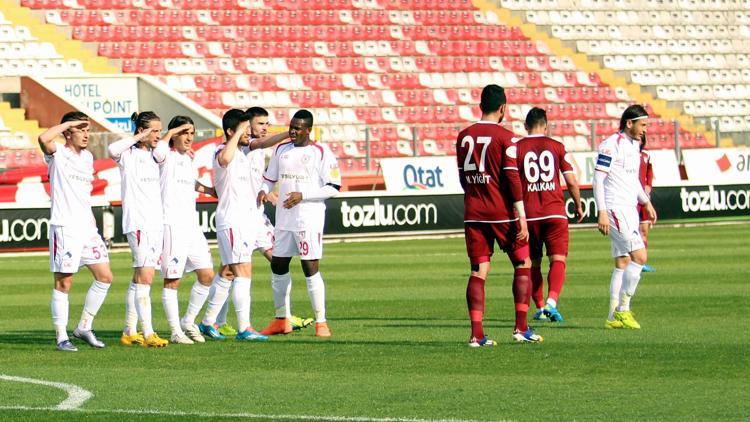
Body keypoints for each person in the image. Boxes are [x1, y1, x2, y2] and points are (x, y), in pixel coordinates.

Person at [213, 107, 312, 337]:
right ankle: (217, 321)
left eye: (267, 124)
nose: (264, 128)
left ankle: (284, 316)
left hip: (255, 216)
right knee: (232, 270)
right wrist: (288, 134)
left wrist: (266, 193)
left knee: (276, 261)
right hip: (240, 217)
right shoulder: (246, 146)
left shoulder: (256, 148)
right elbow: (257, 145)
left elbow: (257, 178)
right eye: (260, 124)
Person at [456, 84, 541, 347]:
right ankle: (520, 328)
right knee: (523, 264)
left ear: (481, 106)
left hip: (473, 212)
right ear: (503, 108)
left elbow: (462, 177)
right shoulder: (507, 138)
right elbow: (512, 179)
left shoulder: (463, 136)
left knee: (479, 271)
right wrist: (522, 215)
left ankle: (476, 334)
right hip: (502, 213)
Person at [257, 109, 341, 338]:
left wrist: (302, 195)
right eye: (291, 126)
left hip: (308, 219)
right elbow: (269, 178)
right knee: (278, 265)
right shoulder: (281, 149)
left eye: (297, 128)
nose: (292, 131)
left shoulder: (321, 153)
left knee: (309, 267)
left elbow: (333, 187)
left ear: (308, 130)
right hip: (284, 220)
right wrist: (264, 191)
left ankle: (321, 322)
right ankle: (281, 319)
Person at [39, 112, 114, 352]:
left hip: (87, 228)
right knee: (64, 283)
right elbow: (43, 138)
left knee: (105, 276)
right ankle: (62, 337)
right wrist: (68, 124)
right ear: (68, 132)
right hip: (65, 226)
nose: (86, 135)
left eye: (87, 130)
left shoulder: (89, 157)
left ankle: (84, 327)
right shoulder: (58, 153)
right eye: (81, 130)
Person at [153, 116, 219, 345]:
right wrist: (171, 132)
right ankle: (174, 331)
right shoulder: (164, 156)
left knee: (207, 274)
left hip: (191, 225)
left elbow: (191, 183)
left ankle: (188, 320)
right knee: (173, 279)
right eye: (185, 132)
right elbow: (159, 150)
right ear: (174, 134)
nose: (190, 137)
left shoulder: (187, 159)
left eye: (192, 132)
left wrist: (209, 190)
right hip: (171, 223)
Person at [514, 108, 583, 323]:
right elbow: (571, 180)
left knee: (533, 263)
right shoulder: (556, 147)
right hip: (555, 213)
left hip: (529, 215)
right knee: (558, 259)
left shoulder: (516, 149)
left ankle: (542, 307)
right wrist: (578, 203)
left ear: (525, 126)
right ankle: (552, 302)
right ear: (546, 125)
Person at [108, 111, 168, 348]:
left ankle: (129, 330)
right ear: (141, 131)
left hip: (155, 223)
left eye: (159, 130)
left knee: (139, 279)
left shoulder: (154, 155)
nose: (158, 135)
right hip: (139, 223)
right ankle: (148, 332)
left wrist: (156, 137)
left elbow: (163, 151)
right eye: (153, 130)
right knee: (146, 278)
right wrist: (137, 136)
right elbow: (112, 149)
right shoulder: (128, 154)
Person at [594, 104, 657, 330]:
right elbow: (598, 179)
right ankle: (623, 309)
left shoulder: (635, 145)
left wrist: (646, 202)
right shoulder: (611, 145)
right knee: (640, 256)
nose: (645, 129)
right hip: (615, 208)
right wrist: (601, 211)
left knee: (623, 262)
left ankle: (612, 317)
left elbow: (633, 180)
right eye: (643, 125)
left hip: (629, 208)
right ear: (629, 123)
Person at [638, 134, 656, 273]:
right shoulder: (625, 155)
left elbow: (650, 171)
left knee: (644, 230)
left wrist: (649, 185)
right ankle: (631, 262)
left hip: (643, 197)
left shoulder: (646, 155)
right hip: (629, 199)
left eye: (640, 140)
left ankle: (642, 263)